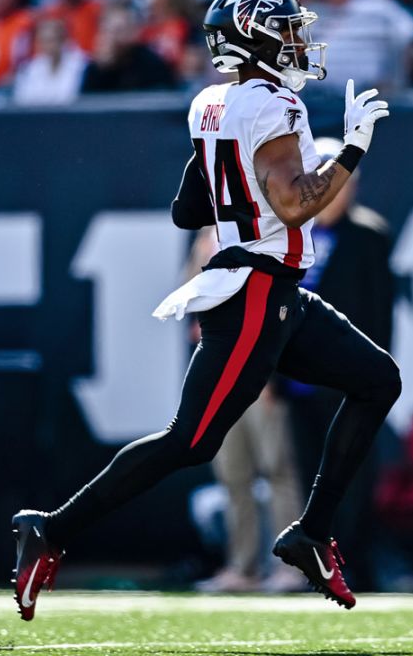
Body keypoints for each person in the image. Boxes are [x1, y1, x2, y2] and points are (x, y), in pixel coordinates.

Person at [11, 0, 398, 620]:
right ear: (256, 36)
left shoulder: (211, 104)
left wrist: (238, 181)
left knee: (377, 379)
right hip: (253, 291)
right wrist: (353, 146)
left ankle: (309, 532)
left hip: (273, 290)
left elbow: (187, 208)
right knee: (189, 442)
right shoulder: (276, 107)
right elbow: (295, 202)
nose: (298, 41)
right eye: (287, 30)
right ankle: (49, 527)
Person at [281, 136, 396, 590]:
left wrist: (372, 373)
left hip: (345, 380)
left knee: (350, 475)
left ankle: (352, 563)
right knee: (306, 474)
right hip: (299, 382)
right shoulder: (292, 231)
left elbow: (380, 312)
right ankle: (314, 563)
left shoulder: (368, 234)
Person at [186, 229, 307, 595]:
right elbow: (192, 298)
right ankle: (244, 566)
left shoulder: (264, 235)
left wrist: (272, 375)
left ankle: (291, 566)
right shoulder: (209, 237)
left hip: (258, 374)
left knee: (277, 469)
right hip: (220, 374)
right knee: (232, 474)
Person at [310, 0, 413, 94]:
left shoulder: (375, 4)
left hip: (366, 94)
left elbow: (410, 34)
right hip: (315, 93)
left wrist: (400, 83)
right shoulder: (317, 13)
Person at [81, 6, 177, 93]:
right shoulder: (95, 68)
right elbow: (87, 103)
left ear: (133, 33)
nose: (112, 37)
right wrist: (100, 70)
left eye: (118, 30)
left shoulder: (152, 65)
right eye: (107, 30)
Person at [11, 18, 88, 106]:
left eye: (52, 40)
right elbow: (23, 100)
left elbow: (72, 97)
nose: (47, 46)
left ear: (64, 40)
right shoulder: (29, 70)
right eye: (43, 41)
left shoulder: (80, 66)